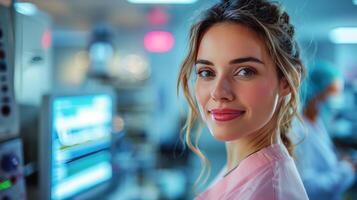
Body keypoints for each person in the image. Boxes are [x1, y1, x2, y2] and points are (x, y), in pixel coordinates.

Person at [177, 0, 309, 199]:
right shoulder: (243, 170)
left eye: (245, 71)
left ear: (287, 81)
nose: (218, 92)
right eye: (206, 72)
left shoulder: (266, 192)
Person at [292, 60, 356, 200]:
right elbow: (308, 188)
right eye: (332, 94)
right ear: (316, 93)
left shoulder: (317, 120)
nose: (337, 100)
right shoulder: (299, 131)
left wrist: (339, 162)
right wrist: (346, 170)